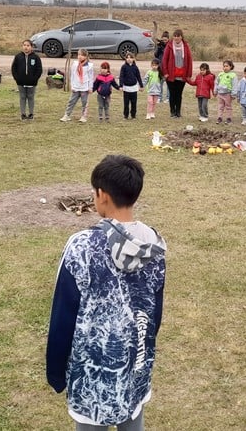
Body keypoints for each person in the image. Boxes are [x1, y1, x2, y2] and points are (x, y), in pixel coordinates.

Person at [47, 155, 166, 431]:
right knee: (133, 420)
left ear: (101, 195)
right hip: (136, 361)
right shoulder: (154, 244)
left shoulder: (81, 246)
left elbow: (64, 313)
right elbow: (154, 310)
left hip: (91, 375)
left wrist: (56, 371)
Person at [161, 29, 193, 118]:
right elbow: (164, 60)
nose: (176, 38)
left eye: (178, 36)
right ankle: (172, 111)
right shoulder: (169, 46)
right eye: (175, 36)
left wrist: (188, 74)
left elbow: (189, 60)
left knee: (179, 94)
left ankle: (178, 112)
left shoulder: (186, 46)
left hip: (182, 75)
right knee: (172, 94)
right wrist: (165, 73)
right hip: (171, 75)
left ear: (181, 37)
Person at [11, 39, 43, 120]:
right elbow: (14, 68)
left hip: (32, 82)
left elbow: (39, 69)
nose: (26, 47)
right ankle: (23, 114)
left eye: (28, 45)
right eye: (24, 45)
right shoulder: (18, 57)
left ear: (31, 47)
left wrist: (34, 79)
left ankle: (31, 113)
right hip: (21, 82)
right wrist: (17, 78)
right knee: (22, 97)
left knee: (30, 97)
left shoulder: (36, 57)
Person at [60, 49, 94, 123]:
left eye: (82, 55)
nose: (80, 57)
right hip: (76, 87)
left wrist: (90, 87)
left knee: (84, 102)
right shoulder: (75, 64)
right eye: (78, 55)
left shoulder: (89, 66)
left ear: (85, 56)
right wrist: (72, 85)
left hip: (84, 87)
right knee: (71, 101)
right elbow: (72, 75)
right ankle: (67, 115)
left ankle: (83, 116)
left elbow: (91, 77)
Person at [120, 53, 143, 120]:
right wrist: (121, 85)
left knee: (134, 102)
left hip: (134, 88)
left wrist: (141, 85)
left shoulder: (135, 67)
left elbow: (138, 76)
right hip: (126, 88)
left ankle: (133, 115)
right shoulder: (124, 67)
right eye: (127, 58)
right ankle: (126, 115)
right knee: (126, 103)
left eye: (130, 57)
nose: (129, 59)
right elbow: (121, 76)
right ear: (125, 59)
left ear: (133, 59)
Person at [214, 60, 237, 124]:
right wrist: (215, 91)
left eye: (227, 66)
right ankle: (219, 118)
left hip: (228, 94)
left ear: (231, 66)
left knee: (228, 107)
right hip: (220, 94)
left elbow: (234, 85)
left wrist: (233, 94)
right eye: (224, 66)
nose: (225, 67)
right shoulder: (220, 74)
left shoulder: (233, 75)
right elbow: (216, 83)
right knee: (220, 106)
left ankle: (229, 118)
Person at [153, 31, 169, 103]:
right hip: (161, 67)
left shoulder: (169, 46)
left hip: (168, 68)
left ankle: (168, 98)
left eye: (166, 40)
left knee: (169, 84)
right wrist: (159, 47)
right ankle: (159, 97)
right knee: (160, 84)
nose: (164, 41)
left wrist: (165, 47)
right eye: (163, 40)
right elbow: (156, 55)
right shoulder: (160, 46)